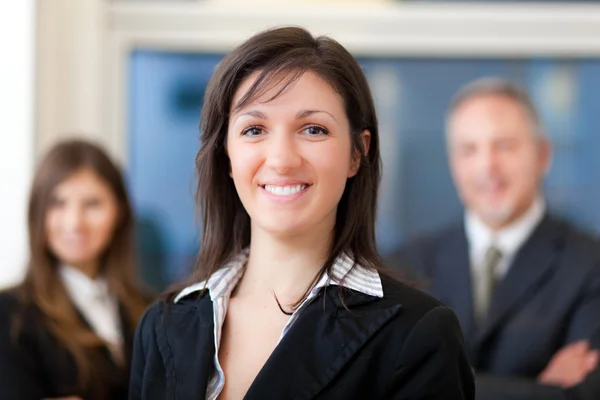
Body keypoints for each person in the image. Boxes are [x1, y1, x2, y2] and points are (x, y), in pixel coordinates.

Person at [129, 26, 474, 399]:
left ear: (357, 153)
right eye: (254, 129)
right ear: (226, 155)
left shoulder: (418, 335)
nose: (281, 159)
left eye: (313, 129)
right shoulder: (162, 327)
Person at [389, 77, 600, 399]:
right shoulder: (406, 266)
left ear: (542, 156)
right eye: (469, 150)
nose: (488, 167)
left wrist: (437, 386)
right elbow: (386, 386)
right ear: (453, 164)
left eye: (505, 146)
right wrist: (542, 391)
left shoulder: (590, 265)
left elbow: (586, 395)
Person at [0, 139, 152, 400]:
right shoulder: (10, 314)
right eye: (57, 203)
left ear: (119, 212)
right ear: (37, 214)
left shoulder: (149, 309)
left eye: (92, 204)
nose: (74, 222)